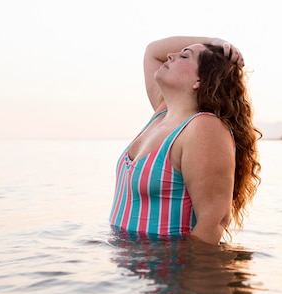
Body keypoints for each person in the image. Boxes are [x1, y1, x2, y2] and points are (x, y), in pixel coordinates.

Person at [109, 35, 261, 245]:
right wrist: (215, 41)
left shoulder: (204, 127)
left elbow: (214, 220)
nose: (170, 56)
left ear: (200, 80)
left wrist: (188, 275)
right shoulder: (162, 113)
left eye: (184, 56)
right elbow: (153, 51)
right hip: (131, 273)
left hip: (168, 271)